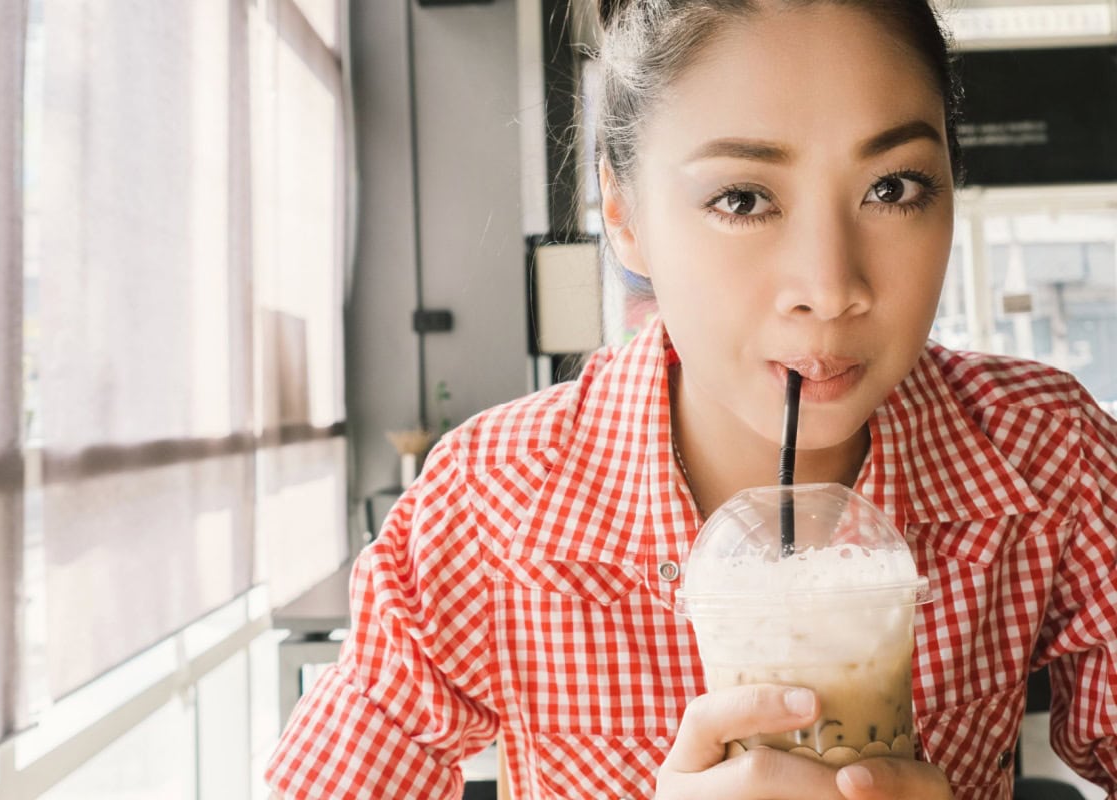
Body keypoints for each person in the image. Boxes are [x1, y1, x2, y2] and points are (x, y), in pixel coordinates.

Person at [265, 1, 1117, 798]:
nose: (829, 288)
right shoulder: (493, 501)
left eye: (892, 188)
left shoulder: (1048, 457)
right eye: (742, 198)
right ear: (623, 212)